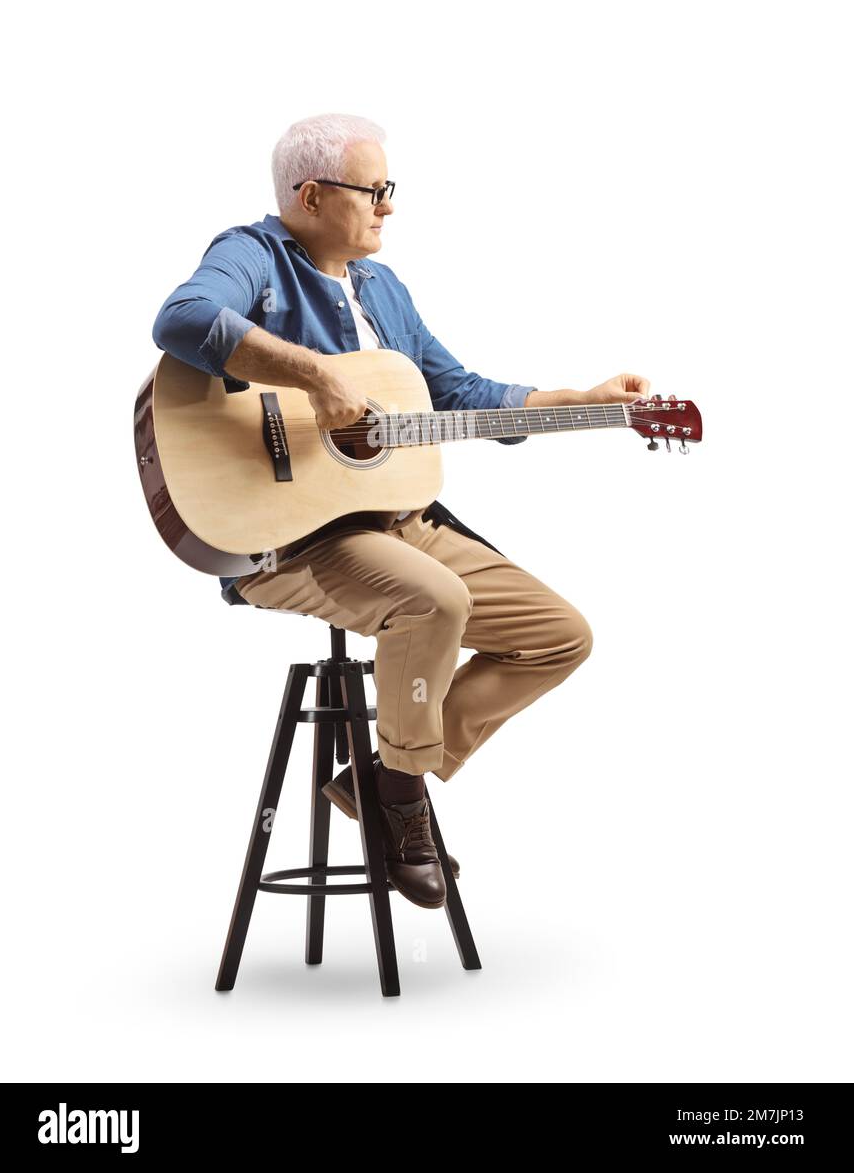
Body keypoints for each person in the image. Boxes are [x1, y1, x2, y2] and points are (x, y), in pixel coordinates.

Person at [152, 112, 651, 910]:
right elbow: (182, 320)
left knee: (558, 635)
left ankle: (383, 772)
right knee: (435, 601)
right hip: (292, 538)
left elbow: (459, 394)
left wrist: (583, 402)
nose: (389, 205)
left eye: (390, 188)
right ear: (311, 196)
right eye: (374, 189)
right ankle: (404, 805)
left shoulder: (383, 289)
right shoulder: (252, 255)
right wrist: (317, 376)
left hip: (396, 520)